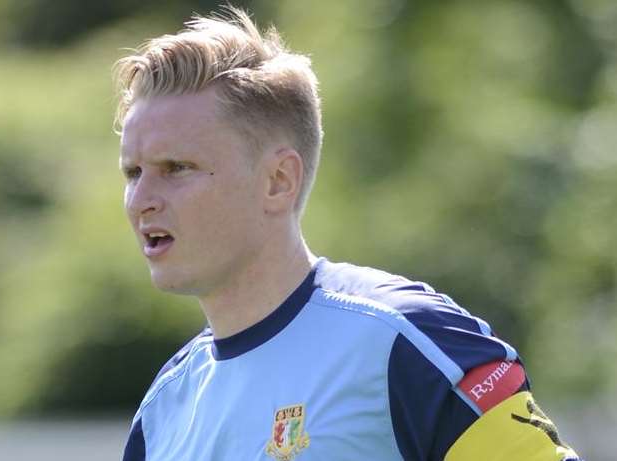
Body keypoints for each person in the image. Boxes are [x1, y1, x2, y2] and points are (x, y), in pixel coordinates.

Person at [113, 7, 581, 461]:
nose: (141, 200)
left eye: (177, 168)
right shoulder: (163, 409)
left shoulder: (407, 340)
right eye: (134, 172)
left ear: (278, 181)